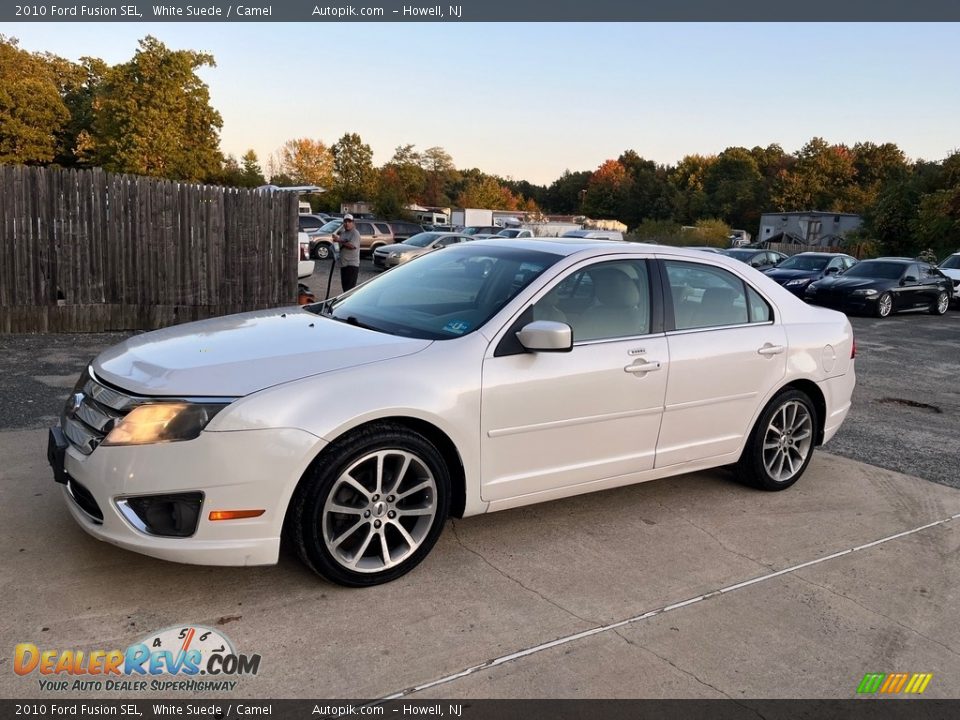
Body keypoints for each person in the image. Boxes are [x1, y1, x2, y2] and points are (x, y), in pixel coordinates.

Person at [336, 214, 361, 292]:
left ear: (353, 223)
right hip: (343, 264)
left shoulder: (355, 233)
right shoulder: (343, 233)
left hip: (352, 265)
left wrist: (339, 240)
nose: (347, 224)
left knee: (349, 290)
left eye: (349, 222)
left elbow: (352, 246)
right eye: (345, 222)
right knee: (345, 288)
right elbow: (341, 245)